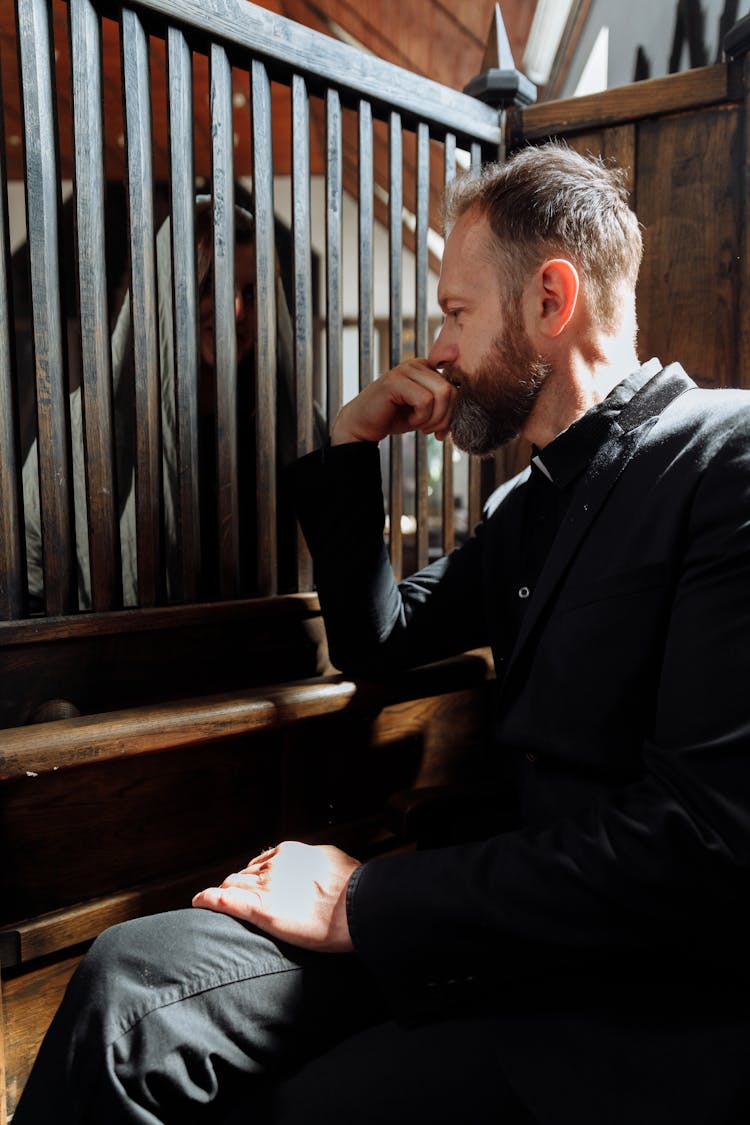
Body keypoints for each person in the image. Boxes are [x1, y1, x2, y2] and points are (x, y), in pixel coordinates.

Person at [13, 143, 750, 1124]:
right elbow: (382, 643)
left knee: (302, 1108)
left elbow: (705, 843)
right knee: (128, 991)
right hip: (485, 935)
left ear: (549, 300)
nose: (436, 347)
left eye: (454, 312)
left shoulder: (725, 456)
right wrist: (348, 450)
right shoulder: (535, 505)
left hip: (632, 1005)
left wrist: (362, 900)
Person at [23, 198, 318, 609]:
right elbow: (31, 582)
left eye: (251, 293)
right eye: (208, 286)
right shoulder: (79, 434)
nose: (236, 312)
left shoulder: (298, 429)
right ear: (164, 292)